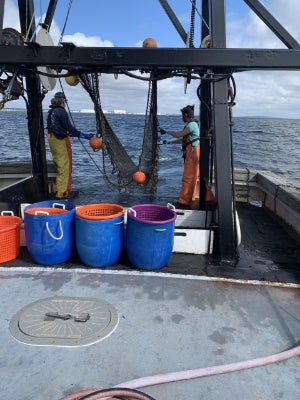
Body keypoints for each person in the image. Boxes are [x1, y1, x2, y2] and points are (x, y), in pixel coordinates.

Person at [46, 92, 93, 200]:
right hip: (60, 141)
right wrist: (84, 136)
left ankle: (63, 191)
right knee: (64, 167)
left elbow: (57, 129)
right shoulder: (61, 112)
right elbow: (69, 128)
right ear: (63, 101)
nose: (66, 103)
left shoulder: (51, 111)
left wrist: (72, 134)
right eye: (66, 101)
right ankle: (62, 194)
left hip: (53, 139)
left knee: (60, 165)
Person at [160, 105, 200, 209]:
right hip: (191, 153)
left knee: (188, 177)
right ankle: (187, 200)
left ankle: (183, 202)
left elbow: (178, 135)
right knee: (190, 177)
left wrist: (166, 131)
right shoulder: (191, 125)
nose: (181, 118)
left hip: (193, 154)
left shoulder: (191, 125)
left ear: (186, 115)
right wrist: (168, 142)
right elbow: (184, 140)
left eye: (182, 116)